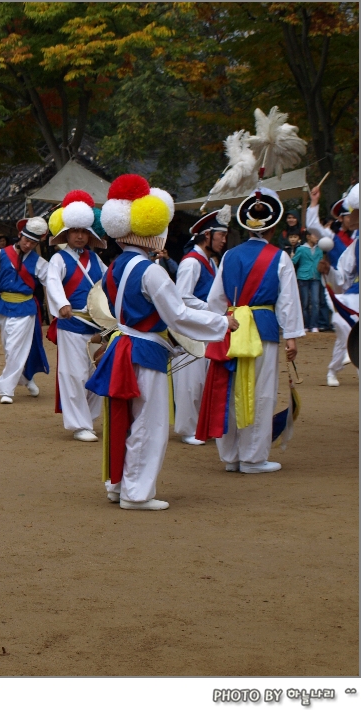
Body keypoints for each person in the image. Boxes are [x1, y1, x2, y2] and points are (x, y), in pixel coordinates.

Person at [86, 174, 236, 510]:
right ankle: (136, 493)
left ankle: (118, 484)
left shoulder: (113, 268)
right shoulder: (151, 271)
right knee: (148, 423)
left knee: (123, 420)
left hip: (123, 347)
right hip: (145, 349)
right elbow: (179, 315)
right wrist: (221, 323)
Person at [196, 186, 304, 474]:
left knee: (229, 389)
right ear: (274, 226)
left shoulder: (229, 255)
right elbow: (288, 301)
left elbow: (215, 301)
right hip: (263, 329)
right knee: (261, 392)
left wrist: (220, 325)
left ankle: (231, 456)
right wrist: (291, 336)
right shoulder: (279, 257)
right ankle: (254, 458)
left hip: (231, 328)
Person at [44, 191, 108, 442]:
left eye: (84, 231)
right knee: (74, 375)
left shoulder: (96, 259)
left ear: (90, 234)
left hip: (96, 326)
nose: (80, 236)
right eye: (74, 231)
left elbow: (107, 285)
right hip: (71, 325)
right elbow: (52, 283)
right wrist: (61, 304)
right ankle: (79, 424)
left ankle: (88, 419)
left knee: (97, 372)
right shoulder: (58, 259)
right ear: (67, 234)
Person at [0, 217, 51, 403]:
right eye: (26, 240)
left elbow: (53, 284)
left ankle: (6, 389)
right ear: (20, 235)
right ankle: (26, 378)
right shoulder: (2, 254)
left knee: (14, 349)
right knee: (9, 349)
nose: (28, 245)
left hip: (26, 309)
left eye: (33, 243)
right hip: (5, 306)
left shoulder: (39, 262)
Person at [173, 206, 229, 446]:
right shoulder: (191, 263)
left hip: (204, 328)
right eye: (221, 235)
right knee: (189, 380)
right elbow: (181, 296)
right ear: (207, 235)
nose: (224, 240)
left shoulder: (209, 262)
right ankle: (187, 427)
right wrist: (213, 310)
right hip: (191, 329)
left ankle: (199, 426)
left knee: (202, 379)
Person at [318, 183, 359, 386]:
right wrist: (329, 272)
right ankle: (338, 366)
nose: (349, 218)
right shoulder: (356, 246)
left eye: (353, 213)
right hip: (354, 298)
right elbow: (343, 279)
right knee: (342, 322)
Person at [307, 184, 357, 265]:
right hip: (337, 276)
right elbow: (312, 226)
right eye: (350, 217)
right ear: (340, 218)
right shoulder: (332, 235)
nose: (354, 220)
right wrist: (314, 201)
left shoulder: (357, 235)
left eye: (357, 216)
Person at [292, 230, 323, 332]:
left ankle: (314, 324)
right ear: (308, 237)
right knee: (304, 302)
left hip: (316, 277)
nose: (317, 238)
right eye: (315, 235)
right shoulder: (301, 249)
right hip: (303, 277)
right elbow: (294, 261)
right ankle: (305, 324)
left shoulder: (320, 249)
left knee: (315, 302)